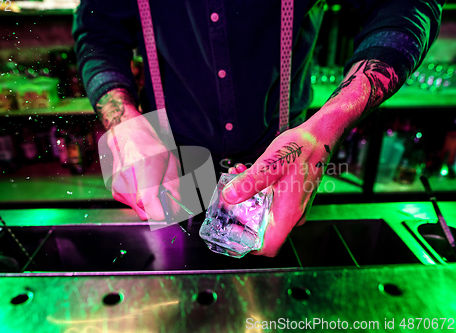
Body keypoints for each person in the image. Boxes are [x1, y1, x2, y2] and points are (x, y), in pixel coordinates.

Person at [73, 0, 445, 257]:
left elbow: (404, 6)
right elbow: (98, 31)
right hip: (167, 165)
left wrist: (330, 124)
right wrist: (124, 124)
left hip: (286, 164)